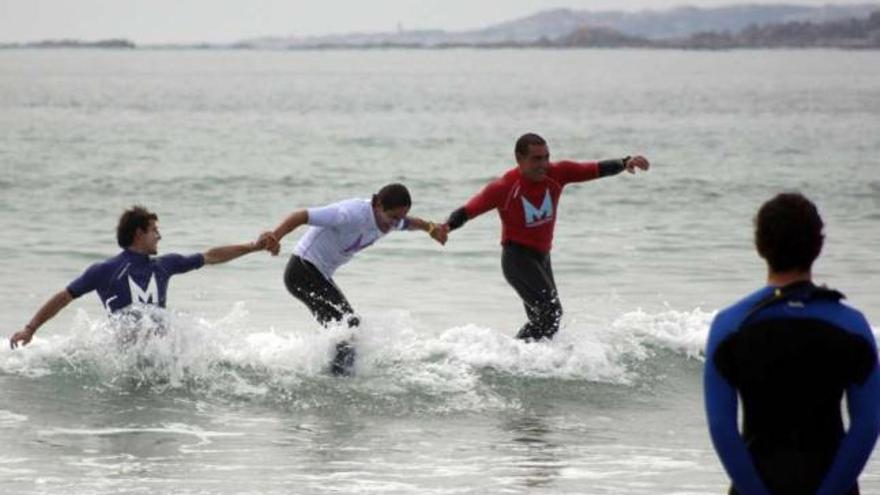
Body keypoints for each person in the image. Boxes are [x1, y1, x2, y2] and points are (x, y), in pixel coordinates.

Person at [704, 192, 879, 495]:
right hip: (833, 486)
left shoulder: (731, 325)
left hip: (755, 485)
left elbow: (722, 428)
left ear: (760, 246)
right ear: (819, 245)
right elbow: (868, 423)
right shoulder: (851, 326)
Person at [440, 132, 649, 341]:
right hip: (517, 259)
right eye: (536, 159)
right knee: (551, 314)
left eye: (546, 157)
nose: (544, 164)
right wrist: (447, 227)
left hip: (542, 259)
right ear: (519, 159)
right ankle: (511, 354)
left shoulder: (558, 173)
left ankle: (523, 364)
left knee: (546, 328)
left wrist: (625, 162)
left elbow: (594, 169)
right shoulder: (504, 187)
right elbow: (468, 211)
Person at [9, 205, 272, 349]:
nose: (159, 236)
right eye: (154, 230)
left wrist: (254, 246)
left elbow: (212, 256)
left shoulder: (165, 265)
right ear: (138, 234)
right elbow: (64, 297)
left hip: (161, 355)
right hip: (124, 356)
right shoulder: (105, 270)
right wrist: (30, 329)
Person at [264, 183, 446, 375]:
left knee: (342, 329)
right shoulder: (349, 213)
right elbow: (301, 216)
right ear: (377, 204)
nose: (394, 224)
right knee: (349, 325)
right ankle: (338, 381)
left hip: (318, 274)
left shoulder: (390, 219)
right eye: (392, 218)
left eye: (398, 219)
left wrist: (431, 228)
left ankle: (318, 370)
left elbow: (409, 223)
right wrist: (275, 237)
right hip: (302, 270)